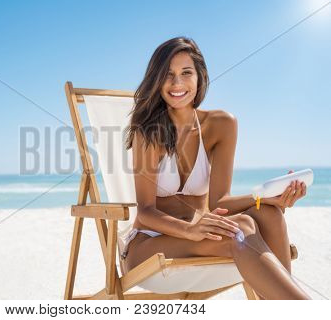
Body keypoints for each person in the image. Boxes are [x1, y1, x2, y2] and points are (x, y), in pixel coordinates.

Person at [123, 36, 310, 299]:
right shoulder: (148, 130)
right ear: (157, 81)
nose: (177, 83)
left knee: (269, 213)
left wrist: (266, 197)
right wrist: (190, 230)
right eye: (168, 75)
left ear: (200, 77)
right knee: (241, 227)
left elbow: (218, 202)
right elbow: (145, 212)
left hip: (203, 234)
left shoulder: (222, 124)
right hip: (151, 245)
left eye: (186, 73)